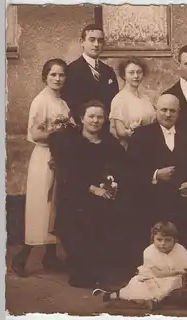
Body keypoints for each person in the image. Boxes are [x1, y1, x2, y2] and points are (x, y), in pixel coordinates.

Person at [126, 94, 187, 267]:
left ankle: (185, 272)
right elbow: (130, 169)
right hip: (153, 199)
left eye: (172, 110)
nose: (168, 114)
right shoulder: (142, 135)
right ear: (156, 110)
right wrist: (156, 174)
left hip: (184, 201)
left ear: (179, 112)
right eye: (163, 110)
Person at [53, 100, 126, 288]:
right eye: (91, 116)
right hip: (78, 194)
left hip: (103, 195)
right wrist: (94, 189)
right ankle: (82, 266)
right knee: (80, 216)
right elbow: (69, 174)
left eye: (100, 117)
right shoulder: (71, 142)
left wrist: (112, 185)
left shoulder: (110, 143)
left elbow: (121, 168)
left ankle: (99, 265)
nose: (95, 120)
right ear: (82, 118)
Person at [11, 59, 70, 277]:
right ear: (45, 76)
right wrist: (59, 134)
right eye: (53, 74)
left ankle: (50, 257)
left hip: (58, 157)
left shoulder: (62, 103)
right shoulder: (40, 101)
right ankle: (22, 257)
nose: (57, 79)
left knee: (54, 206)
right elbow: (35, 134)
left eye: (61, 75)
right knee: (41, 206)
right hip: (44, 157)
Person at [92, 221, 187, 308]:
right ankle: (113, 295)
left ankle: (154, 301)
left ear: (175, 240)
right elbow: (157, 274)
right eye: (159, 240)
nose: (163, 244)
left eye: (168, 240)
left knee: (173, 283)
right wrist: (176, 271)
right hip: (154, 278)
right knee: (137, 286)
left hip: (172, 280)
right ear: (153, 238)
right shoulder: (149, 251)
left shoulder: (180, 249)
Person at [62, 24, 119, 128]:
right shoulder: (71, 70)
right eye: (92, 40)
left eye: (100, 41)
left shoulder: (108, 71)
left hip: (106, 128)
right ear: (82, 42)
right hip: (82, 129)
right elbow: (70, 103)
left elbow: (115, 101)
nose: (96, 44)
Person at [110, 57, 156, 149]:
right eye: (131, 73)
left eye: (139, 72)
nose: (136, 76)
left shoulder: (145, 98)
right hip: (130, 148)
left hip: (149, 146)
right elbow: (120, 132)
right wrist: (132, 130)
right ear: (124, 75)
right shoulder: (119, 99)